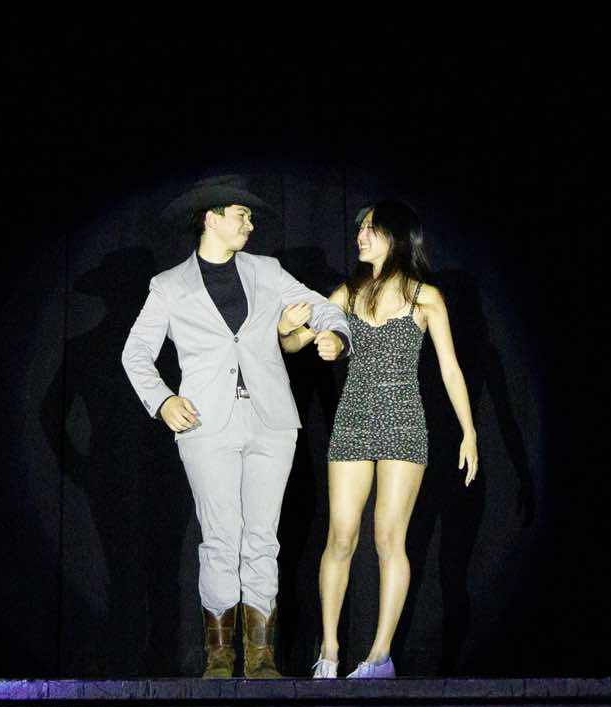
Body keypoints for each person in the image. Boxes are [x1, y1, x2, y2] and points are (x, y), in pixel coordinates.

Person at [121, 175, 352, 678]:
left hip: (271, 421)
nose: (250, 224)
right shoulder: (170, 285)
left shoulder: (266, 271)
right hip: (206, 423)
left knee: (263, 538)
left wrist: (335, 334)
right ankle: (221, 658)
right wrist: (162, 400)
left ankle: (262, 658)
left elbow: (325, 306)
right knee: (221, 537)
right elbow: (135, 353)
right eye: (241, 215)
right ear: (212, 219)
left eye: (249, 217)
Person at [278, 200, 479, 678]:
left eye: (371, 229)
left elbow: (451, 369)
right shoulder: (348, 294)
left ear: (397, 236)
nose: (360, 236)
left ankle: (379, 656)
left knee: (389, 537)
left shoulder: (425, 298)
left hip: (403, 421)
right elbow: (296, 342)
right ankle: (329, 651)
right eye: (361, 229)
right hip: (353, 420)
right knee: (341, 534)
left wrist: (469, 431)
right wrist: (289, 331)